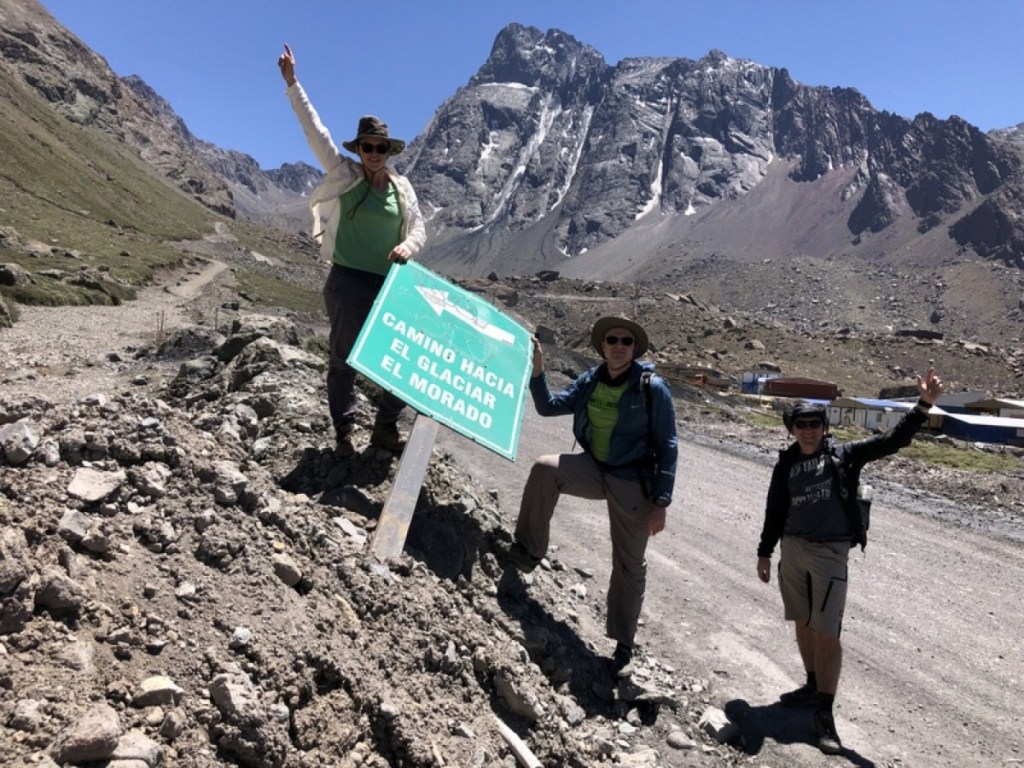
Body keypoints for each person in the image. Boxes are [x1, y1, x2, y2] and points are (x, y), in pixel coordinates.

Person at [755, 368, 943, 755]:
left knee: (827, 632)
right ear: (792, 429)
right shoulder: (785, 465)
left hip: (829, 553)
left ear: (824, 427)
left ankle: (824, 715)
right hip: (792, 549)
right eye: (802, 424)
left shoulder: (845, 456)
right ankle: (812, 686)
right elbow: (775, 511)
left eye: (815, 424)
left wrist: (923, 405)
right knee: (803, 621)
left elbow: (891, 441)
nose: (809, 430)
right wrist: (765, 551)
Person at [506, 316, 678, 678]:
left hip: (632, 481)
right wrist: (537, 371)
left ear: (635, 349)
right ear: (602, 346)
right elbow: (548, 406)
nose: (618, 346)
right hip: (595, 468)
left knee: (629, 563)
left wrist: (661, 501)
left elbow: (668, 444)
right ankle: (529, 550)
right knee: (545, 468)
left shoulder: (652, 387)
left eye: (626, 341)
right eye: (612, 340)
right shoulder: (591, 379)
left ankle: (623, 644)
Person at [277, 44, 426, 456]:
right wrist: (292, 83)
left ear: (389, 151)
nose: (374, 154)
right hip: (346, 281)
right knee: (344, 358)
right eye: (367, 147)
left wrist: (407, 245)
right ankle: (344, 431)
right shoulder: (343, 174)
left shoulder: (402, 188)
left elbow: (419, 227)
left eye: (381, 148)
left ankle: (385, 426)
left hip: (390, 285)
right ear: (357, 148)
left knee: (402, 360)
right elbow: (315, 130)